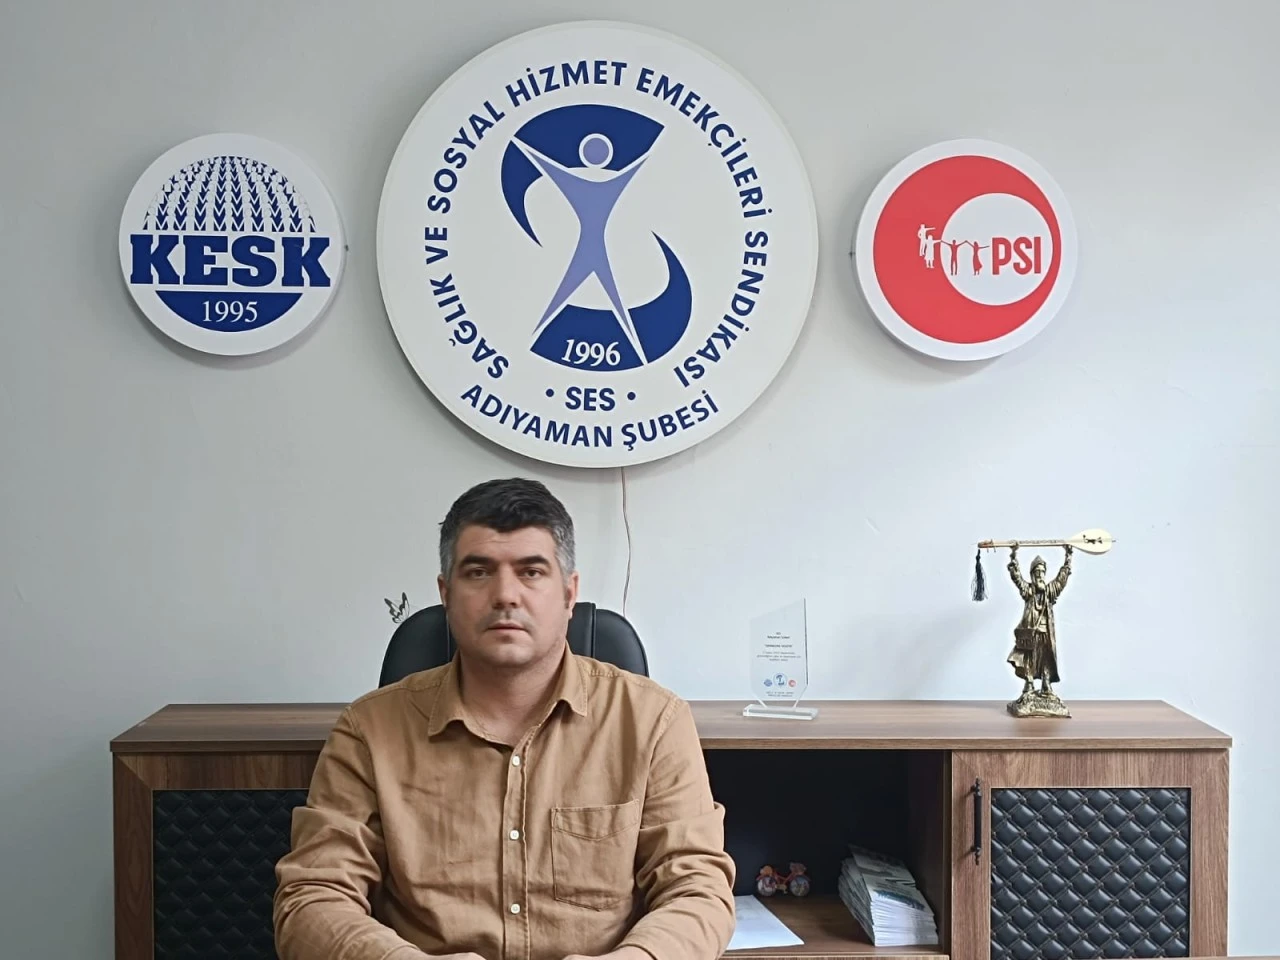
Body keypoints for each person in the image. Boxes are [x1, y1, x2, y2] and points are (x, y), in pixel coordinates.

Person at [273, 478, 736, 960]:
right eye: (478, 572)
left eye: (531, 572)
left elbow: (697, 890)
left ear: (569, 594)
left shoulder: (653, 722)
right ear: (446, 593)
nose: (505, 595)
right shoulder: (368, 731)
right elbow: (312, 899)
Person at [1005, 543, 1072, 698]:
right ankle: (1029, 684)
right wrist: (1013, 555)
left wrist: (1068, 557)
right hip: (1030, 633)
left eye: (1042, 572)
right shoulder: (1028, 591)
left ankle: (1046, 683)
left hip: (1046, 633)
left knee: (1046, 658)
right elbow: (1017, 578)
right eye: (1037, 573)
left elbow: (1061, 580)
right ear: (1032, 575)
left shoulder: (1050, 591)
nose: (1040, 575)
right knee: (1029, 657)